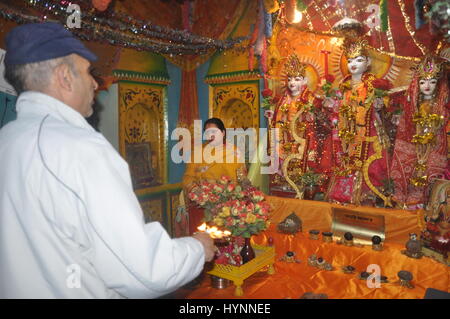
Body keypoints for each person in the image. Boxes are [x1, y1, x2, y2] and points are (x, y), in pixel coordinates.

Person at [0, 22, 214, 299]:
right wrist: (197, 248)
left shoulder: (7, 139)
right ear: (65, 77)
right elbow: (142, 271)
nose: (95, 82)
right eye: (88, 72)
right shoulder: (79, 148)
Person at [327, 39, 392, 206]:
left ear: (368, 62)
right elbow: (336, 110)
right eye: (350, 60)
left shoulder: (372, 84)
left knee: (370, 163)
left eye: (359, 60)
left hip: (368, 132)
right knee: (345, 160)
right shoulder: (343, 85)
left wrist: (379, 105)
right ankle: (344, 195)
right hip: (346, 132)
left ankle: (367, 196)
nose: (353, 64)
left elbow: (385, 108)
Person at [266, 53, 332, 196]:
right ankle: (283, 184)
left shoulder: (310, 98)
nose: (292, 83)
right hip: (285, 139)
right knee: (282, 162)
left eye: (297, 79)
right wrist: (273, 118)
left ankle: (302, 185)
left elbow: (322, 121)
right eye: (289, 79)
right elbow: (279, 119)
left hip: (303, 139)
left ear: (304, 80)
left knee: (301, 160)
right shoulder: (283, 99)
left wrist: (312, 116)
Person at [390, 55, 449, 209]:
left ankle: (428, 203)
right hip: (414, 146)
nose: (427, 86)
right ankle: (408, 200)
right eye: (423, 82)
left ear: (439, 83)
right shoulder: (413, 104)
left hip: (435, 145)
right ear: (417, 83)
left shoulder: (443, 105)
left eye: (432, 81)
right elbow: (406, 129)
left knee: (431, 173)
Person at [182, 117, 247, 234]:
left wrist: (228, 195)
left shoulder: (234, 151)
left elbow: (241, 179)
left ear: (223, 133)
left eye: (214, 132)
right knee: (204, 240)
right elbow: (188, 177)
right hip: (202, 204)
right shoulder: (198, 152)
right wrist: (198, 193)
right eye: (207, 132)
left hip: (227, 204)